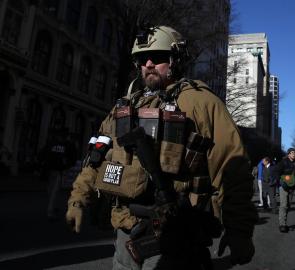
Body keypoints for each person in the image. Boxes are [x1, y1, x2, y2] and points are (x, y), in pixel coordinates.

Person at [65, 25, 257, 270]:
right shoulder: (125, 106)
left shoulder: (201, 102)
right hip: (125, 236)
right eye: (141, 59)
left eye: (157, 57)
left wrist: (239, 230)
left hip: (178, 238)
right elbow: (97, 155)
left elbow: (233, 168)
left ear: (175, 59)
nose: (148, 64)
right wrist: (78, 200)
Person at [39, 127, 77, 220]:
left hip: (49, 169)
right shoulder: (68, 145)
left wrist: (41, 163)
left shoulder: (52, 143)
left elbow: (42, 153)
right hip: (58, 170)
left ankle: (51, 207)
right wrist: (67, 166)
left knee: (50, 189)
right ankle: (50, 210)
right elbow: (73, 157)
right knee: (54, 190)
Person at [274, 148, 295, 233]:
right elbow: (277, 172)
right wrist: (281, 182)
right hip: (284, 186)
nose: (294, 154)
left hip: (292, 187)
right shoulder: (283, 162)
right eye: (292, 153)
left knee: (288, 205)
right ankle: (282, 224)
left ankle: (284, 222)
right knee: (283, 205)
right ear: (288, 154)